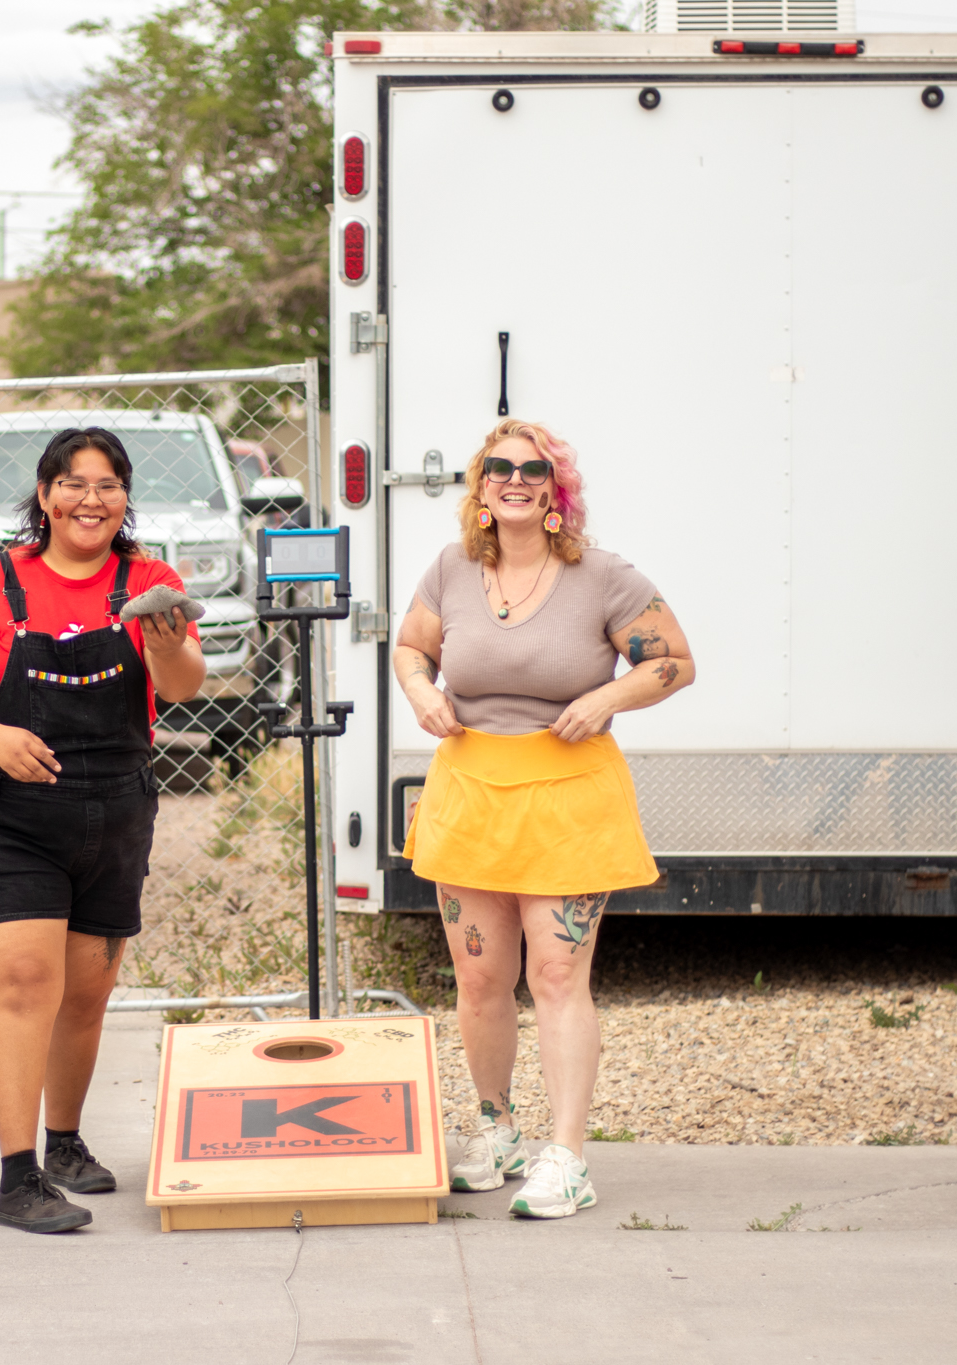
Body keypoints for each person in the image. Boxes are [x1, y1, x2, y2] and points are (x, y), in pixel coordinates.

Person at [392, 418, 694, 1218]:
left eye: (534, 469)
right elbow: (411, 648)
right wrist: (421, 692)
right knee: (480, 978)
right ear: (481, 485)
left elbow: (674, 660)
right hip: (470, 793)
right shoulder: (452, 568)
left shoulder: (603, 575)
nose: (516, 481)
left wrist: (605, 696)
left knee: (557, 976)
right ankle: (497, 1130)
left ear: (557, 488)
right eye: (500, 468)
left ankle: (567, 1156)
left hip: (568, 796)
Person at [0, 427, 204, 1233]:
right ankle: (18, 1179)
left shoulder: (151, 582)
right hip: (2, 811)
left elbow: (181, 687)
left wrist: (166, 642)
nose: (90, 498)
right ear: (44, 496)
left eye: (107, 484)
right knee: (21, 983)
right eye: (73, 483)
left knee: (84, 994)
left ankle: (65, 1142)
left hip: (113, 809)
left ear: (125, 499)